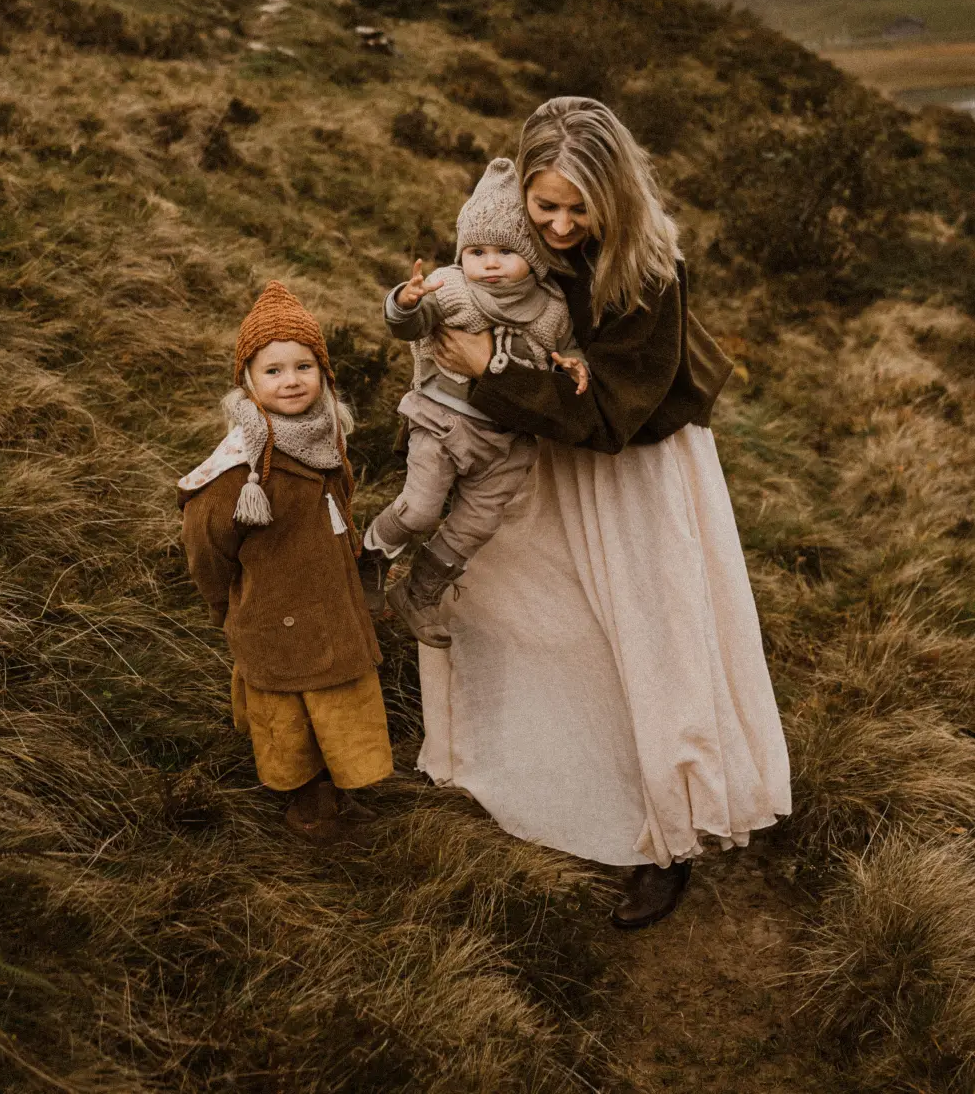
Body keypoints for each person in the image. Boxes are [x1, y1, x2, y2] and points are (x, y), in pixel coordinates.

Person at [418, 98, 791, 930]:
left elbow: (612, 417)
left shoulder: (649, 276)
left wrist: (489, 371)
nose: (555, 224)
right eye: (543, 206)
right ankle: (552, 777)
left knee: (650, 642)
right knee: (535, 613)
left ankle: (670, 836)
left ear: (612, 198)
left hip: (634, 470)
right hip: (547, 447)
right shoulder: (522, 239)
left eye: (575, 209)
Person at [178, 280, 393, 841]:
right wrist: (227, 603)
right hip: (277, 616)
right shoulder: (239, 471)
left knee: (340, 707)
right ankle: (310, 807)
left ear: (324, 373)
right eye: (273, 370)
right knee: (292, 719)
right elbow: (206, 547)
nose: (291, 380)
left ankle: (340, 793)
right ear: (247, 381)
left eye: (304, 366)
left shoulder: (324, 440)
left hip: (331, 604)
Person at [358, 157, 587, 647]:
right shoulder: (453, 287)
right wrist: (406, 303)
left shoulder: (550, 308)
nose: (488, 262)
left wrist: (573, 362)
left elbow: (561, 349)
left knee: (475, 526)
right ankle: (373, 555)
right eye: (476, 250)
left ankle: (419, 593)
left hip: (506, 441)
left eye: (505, 250)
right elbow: (410, 327)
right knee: (420, 511)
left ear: (532, 254)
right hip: (442, 421)